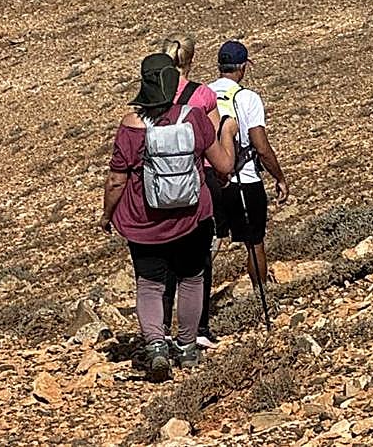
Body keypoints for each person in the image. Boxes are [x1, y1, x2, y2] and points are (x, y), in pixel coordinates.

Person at [98, 54, 233, 382]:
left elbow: (117, 179)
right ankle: (187, 348)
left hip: (144, 223)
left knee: (149, 284)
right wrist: (227, 131)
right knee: (191, 279)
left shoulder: (131, 126)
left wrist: (107, 215)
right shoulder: (195, 118)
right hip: (191, 217)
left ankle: (157, 346)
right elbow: (224, 167)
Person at [162, 33, 225, 349]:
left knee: (166, 257)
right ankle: (198, 328)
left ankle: (160, 330)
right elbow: (212, 139)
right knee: (199, 259)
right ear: (191, 59)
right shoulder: (203, 95)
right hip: (199, 179)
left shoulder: (155, 95)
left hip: (161, 185)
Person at [209, 40, 289, 284]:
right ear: (243, 67)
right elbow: (261, 146)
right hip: (244, 179)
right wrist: (280, 177)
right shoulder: (248, 98)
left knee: (210, 241)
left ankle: (193, 300)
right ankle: (259, 294)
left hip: (210, 180)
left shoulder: (203, 94)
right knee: (254, 242)